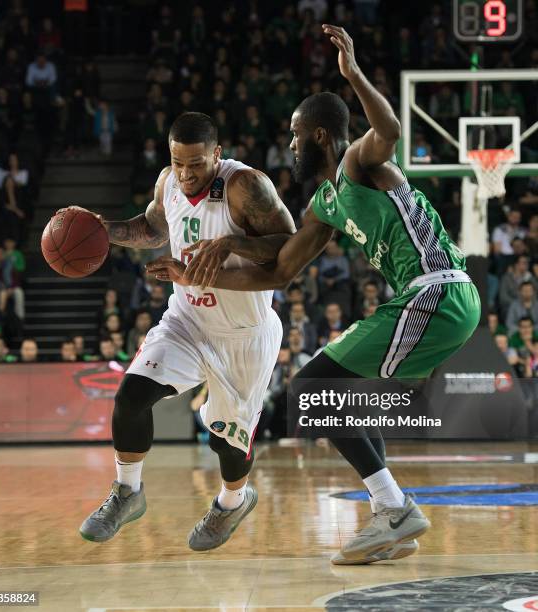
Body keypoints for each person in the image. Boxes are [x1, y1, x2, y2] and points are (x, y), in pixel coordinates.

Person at [150, 26, 481, 565]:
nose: (290, 144)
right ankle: (393, 516)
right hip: (432, 302)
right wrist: (201, 274)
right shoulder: (327, 204)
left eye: (295, 134)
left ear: (320, 136)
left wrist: (353, 76)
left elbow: (390, 127)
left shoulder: (358, 163)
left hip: (438, 291)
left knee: (311, 389)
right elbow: (279, 271)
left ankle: (392, 508)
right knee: (340, 397)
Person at [72, 112, 295, 550]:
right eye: (178, 162)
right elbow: (154, 228)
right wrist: (104, 231)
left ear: (217, 153)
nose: (186, 174)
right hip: (188, 319)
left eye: (196, 164)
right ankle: (127, 492)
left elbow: (287, 246)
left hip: (243, 334)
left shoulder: (245, 186)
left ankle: (233, 501)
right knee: (131, 395)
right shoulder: (168, 181)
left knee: (225, 444)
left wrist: (232, 244)